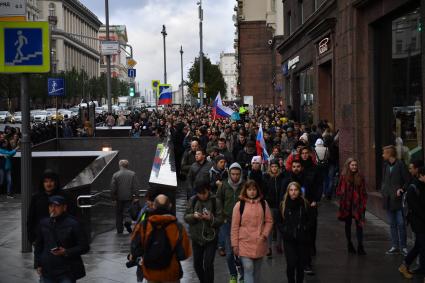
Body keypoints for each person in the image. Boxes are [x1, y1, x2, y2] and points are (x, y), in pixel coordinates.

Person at [133, 194, 191, 283]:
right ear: (170, 206)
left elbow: (135, 249)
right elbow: (184, 254)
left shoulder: (144, 225)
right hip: (171, 274)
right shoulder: (177, 227)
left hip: (151, 274)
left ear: (154, 206)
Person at [34, 195, 89, 283]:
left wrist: (66, 252)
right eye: (51, 206)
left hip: (66, 272)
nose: (53, 209)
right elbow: (38, 245)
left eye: (57, 206)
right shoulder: (44, 223)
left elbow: (84, 246)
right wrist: (38, 264)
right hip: (47, 271)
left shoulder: (74, 224)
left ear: (64, 207)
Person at [231, 180, 273, 283]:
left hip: (260, 242)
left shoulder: (264, 204)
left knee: (257, 272)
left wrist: (264, 235)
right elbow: (235, 226)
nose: (252, 192)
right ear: (245, 190)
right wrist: (235, 245)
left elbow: (269, 221)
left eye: (254, 189)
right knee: (248, 268)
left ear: (257, 190)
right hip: (244, 242)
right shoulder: (239, 205)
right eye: (249, 189)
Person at [184, 181, 224, 283]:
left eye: (204, 193)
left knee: (208, 264)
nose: (202, 196)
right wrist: (194, 216)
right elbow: (186, 217)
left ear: (208, 191)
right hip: (196, 238)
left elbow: (220, 220)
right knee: (197, 264)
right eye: (199, 193)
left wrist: (211, 218)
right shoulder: (192, 200)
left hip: (211, 237)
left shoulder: (216, 201)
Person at [278, 182, 313, 283]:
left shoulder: (305, 203)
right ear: (288, 192)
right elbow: (279, 221)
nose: (293, 192)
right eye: (291, 190)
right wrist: (284, 231)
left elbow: (311, 219)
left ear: (299, 191)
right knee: (291, 263)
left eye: (295, 190)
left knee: (300, 265)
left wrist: (305, 228)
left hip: (302, 239)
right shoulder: (283, 204)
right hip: (289, 239)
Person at [217, 162, 245, 283]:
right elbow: (218, 202)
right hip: (227, 222)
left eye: (237, 174)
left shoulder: (244, 186)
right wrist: (221, 216)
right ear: (229, 174)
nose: (235, 177)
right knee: (229, 253)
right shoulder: (223, 185)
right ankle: (233, 274)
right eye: (233, 174)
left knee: (242, 252)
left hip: (242, 223)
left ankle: (243, 275)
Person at [381, 145, 409, 256]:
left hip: (397, 200)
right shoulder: (385, 165)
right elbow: (383, 180)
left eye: (384, 153)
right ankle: (395, 246)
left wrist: (402, 189)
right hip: (388, 199)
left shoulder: (400, 164)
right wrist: (383, 190)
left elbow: (407, 180)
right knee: (392, 224)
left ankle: (404, 247)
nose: (382, 155)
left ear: (389, 154)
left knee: (401, 224)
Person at [336, 158, 368, 255]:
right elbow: (339, 190)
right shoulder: (344, 176)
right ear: (348, 166)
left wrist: (363, 203)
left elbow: (363, 192)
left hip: (358, 204)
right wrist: (343, 198)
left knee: (359, 225)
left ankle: (360, 246)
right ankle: (349, 244)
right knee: (348, 224)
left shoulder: (360, 176)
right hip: (347, 204)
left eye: (355, 165)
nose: (354, 167)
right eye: (352, 165)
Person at [398, 166, 425, 279]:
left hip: (422, 221)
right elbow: (416, 208)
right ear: (421, 175)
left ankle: (404, 266)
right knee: (423, 247)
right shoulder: (413, 187)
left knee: (419, 246)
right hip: (418, 222)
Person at [28, 170, 64, 244]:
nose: (48, 184)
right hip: (40, 236)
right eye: (46, 181)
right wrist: (31, 238)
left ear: (55, 182)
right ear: (42, 183)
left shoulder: (63, 196)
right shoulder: (36, 197)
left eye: (51, 181)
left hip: (59, 236)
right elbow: (30, 218)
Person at [111, 159, 140, 234]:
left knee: (119, 213)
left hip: (118, 198)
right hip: (129, 197)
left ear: (120, 165)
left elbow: (113, 187)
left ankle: (119, 230)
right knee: (127, 211)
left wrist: (113, 198)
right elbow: (135, 186)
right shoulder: (132, 174)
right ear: (127, 166)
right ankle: (127, 222)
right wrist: (136, 196)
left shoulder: (115, 175)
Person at [264, 159, 286, 256]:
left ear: (278, 167)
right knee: (269, 226)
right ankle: (268, 247)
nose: (274, 168)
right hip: (270, 205)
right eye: (272, 166)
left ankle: (279, 245)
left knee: (279, 225)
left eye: (276, 166)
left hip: (280, 205)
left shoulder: (282, 177)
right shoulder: (266, 177)